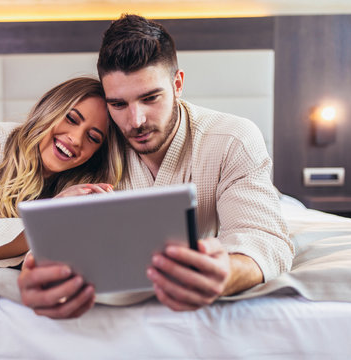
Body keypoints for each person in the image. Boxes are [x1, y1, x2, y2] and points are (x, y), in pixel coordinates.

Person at [17, 14, 295, 318]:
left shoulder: (232, 138)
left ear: (177, 84)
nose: (135, 122)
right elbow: (62, 234)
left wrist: (227, 273)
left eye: (150, 98)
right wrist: (39, 275)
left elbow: (264, 239)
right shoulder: (93, 142)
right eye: (118, 104)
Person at [0, 77, 126, 268]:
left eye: (93, 137)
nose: (75, 139)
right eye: (71, 119)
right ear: (49, 109)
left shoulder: (85, 185)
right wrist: (49, 218)